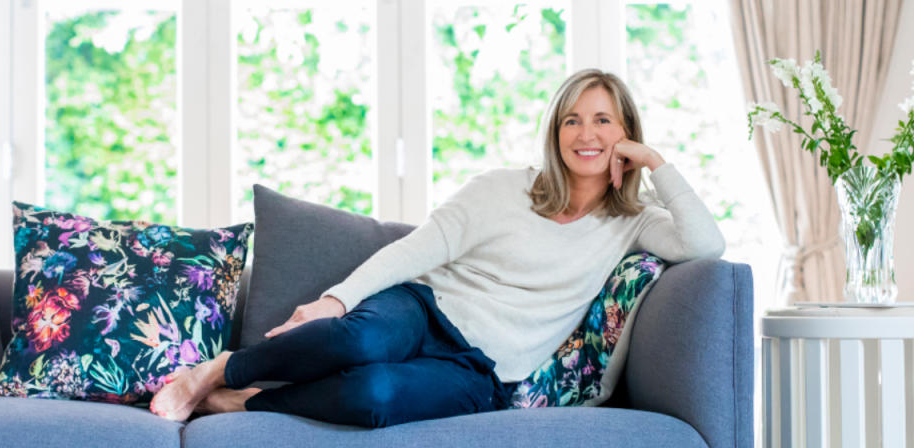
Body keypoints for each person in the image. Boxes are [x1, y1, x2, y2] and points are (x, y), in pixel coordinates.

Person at [149, 69, 725, 427]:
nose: (586, 134)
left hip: (486, 373)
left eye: (603, 120)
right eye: (572, 120)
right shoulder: (504, 188)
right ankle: (219, 370)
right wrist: (336, 301)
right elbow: (417, 250)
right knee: (361, 338)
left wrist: (655, 164)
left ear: (625, 130)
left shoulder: (634, 222)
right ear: (556, 133)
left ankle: (241, 403)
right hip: (423, 310)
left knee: (377, 397)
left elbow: (705, 245)